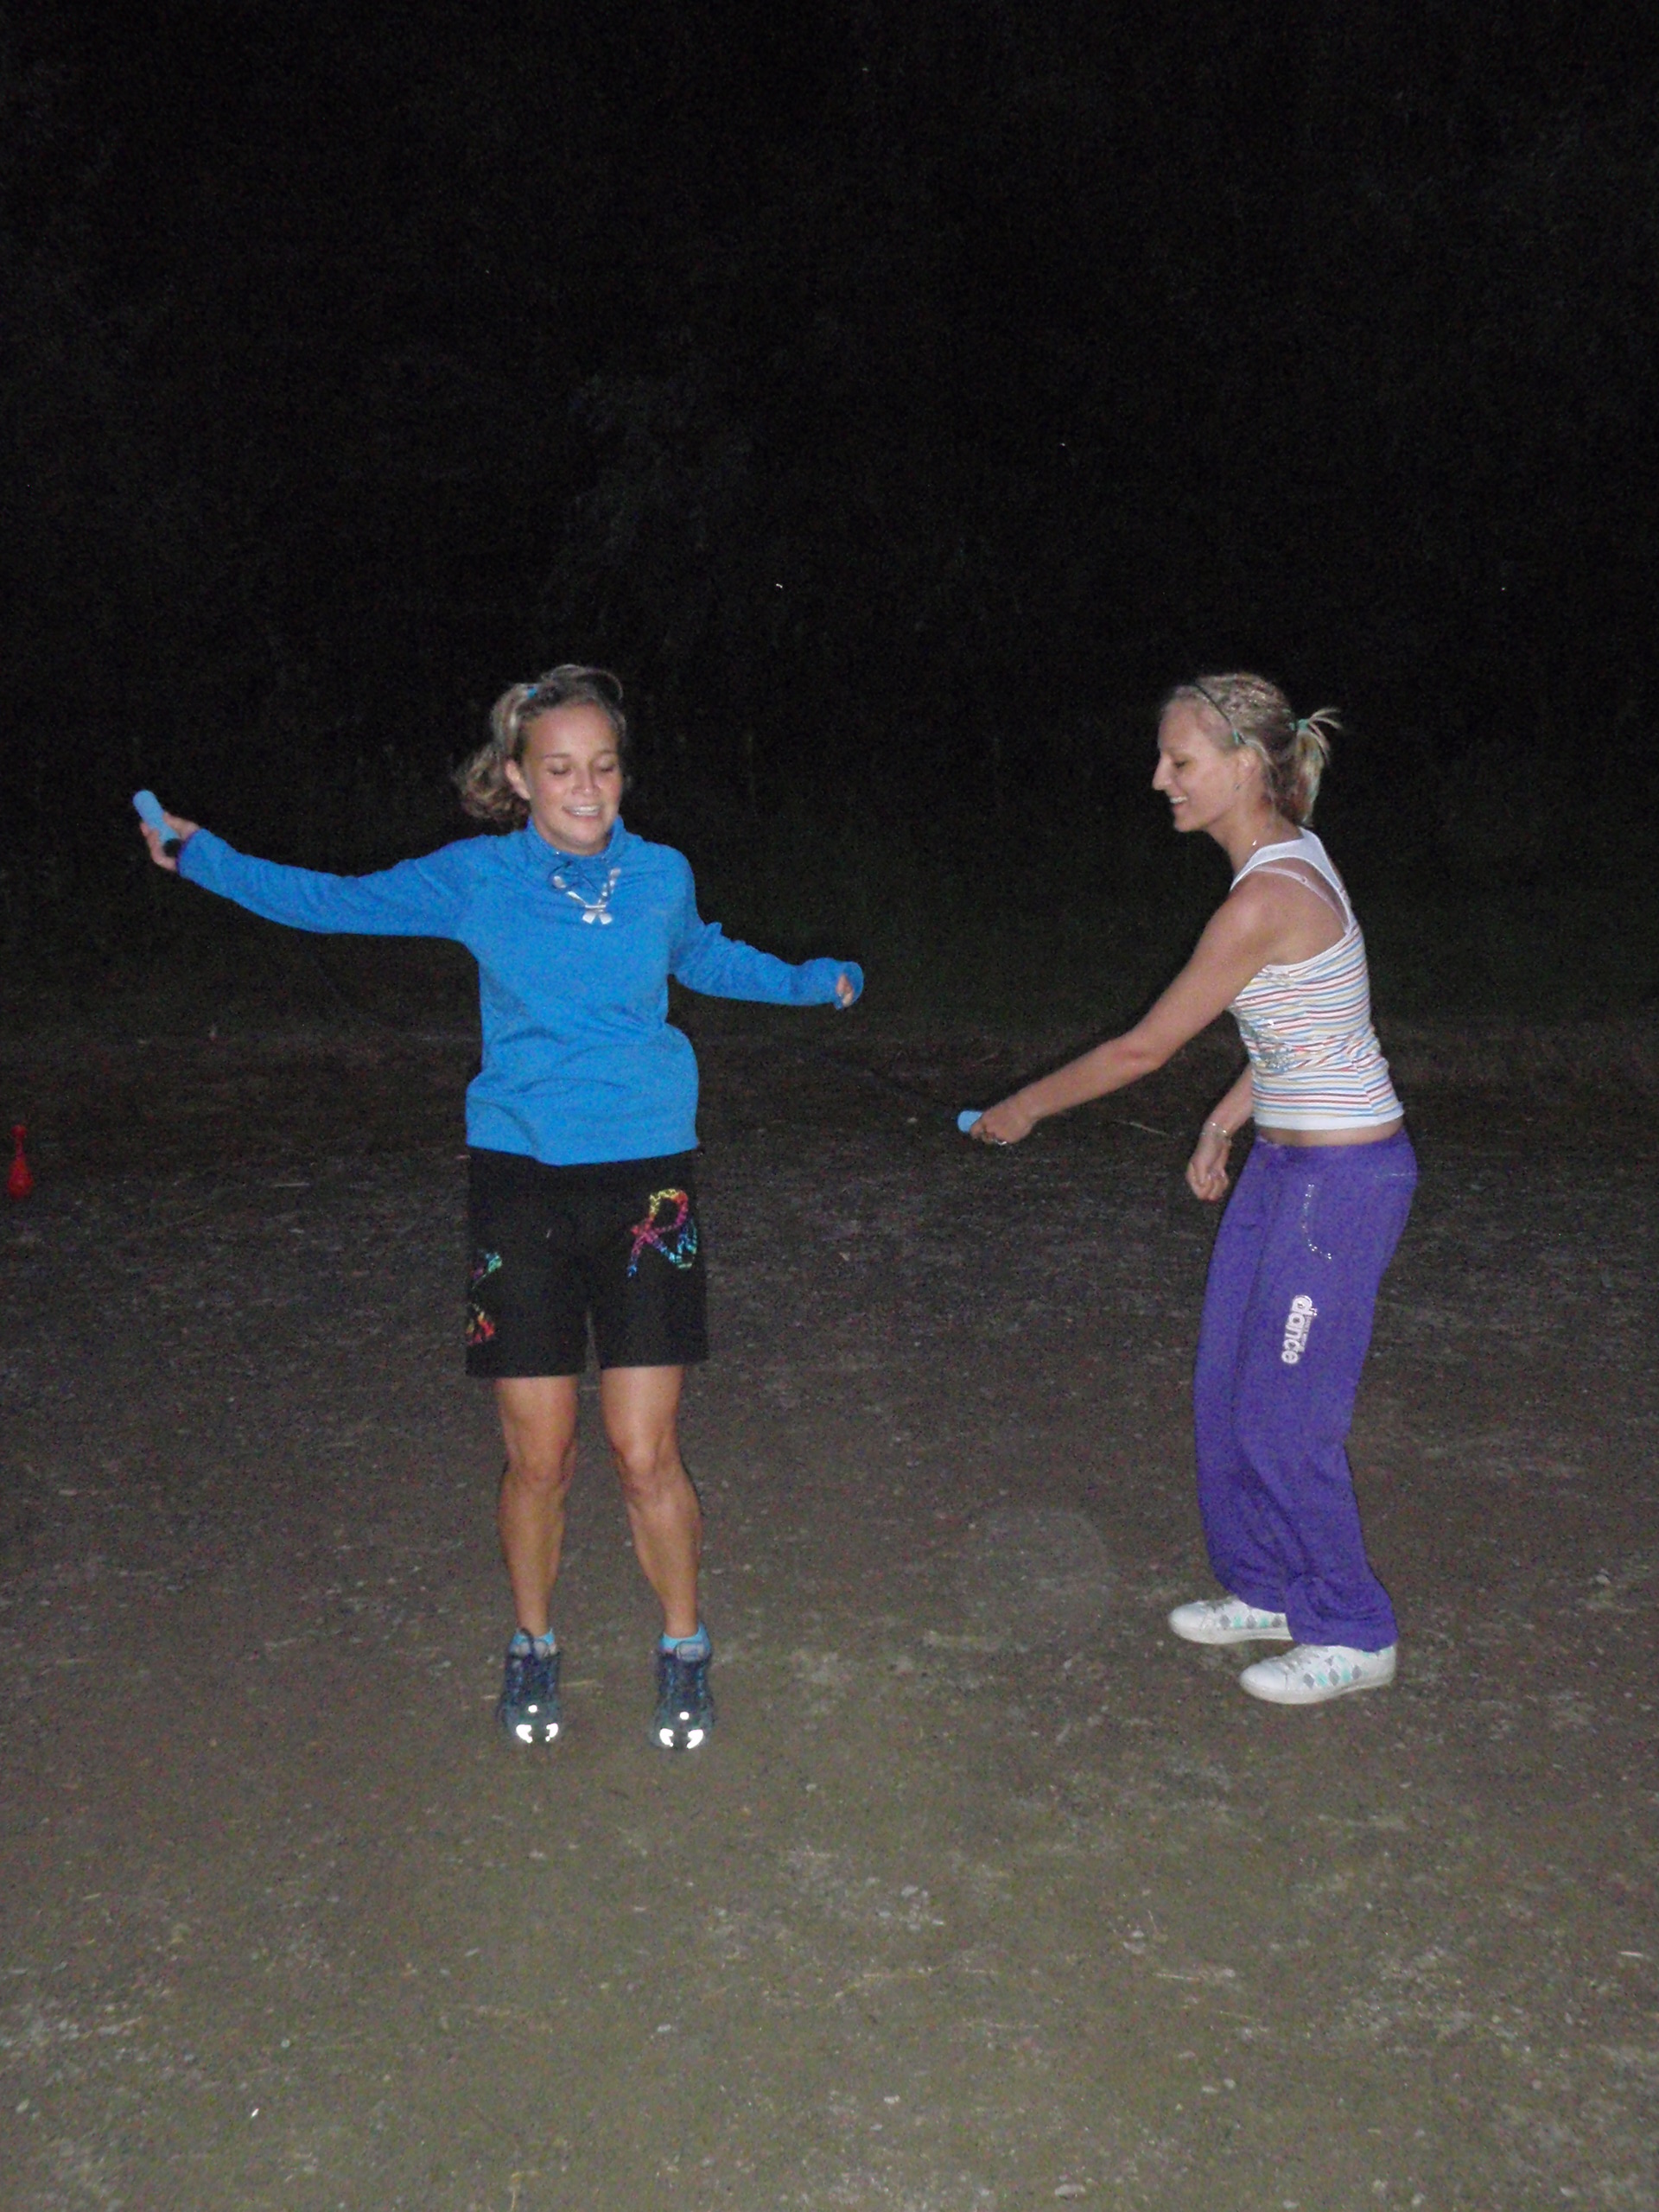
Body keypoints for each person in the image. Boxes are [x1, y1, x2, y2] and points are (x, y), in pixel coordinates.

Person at [138, 665, 861, 1751]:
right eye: (560, 769)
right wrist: (203, 856)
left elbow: (701, 953)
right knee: (540, 1457)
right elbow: (332, 900)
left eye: (604, 766)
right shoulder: (477, 878)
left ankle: (683, 1645)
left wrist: (807, 981)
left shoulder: (660, 872)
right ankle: (533, 1640)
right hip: (521, 1182)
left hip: (648, 1182)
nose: (588, 789)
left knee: (644, 1450)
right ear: (517, 777)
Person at [970, 672, 1414, 1706]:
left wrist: (1023, 1106)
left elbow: (1141, 1049)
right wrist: (1224, 1121)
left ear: (1246, 765)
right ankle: (1269, 1587)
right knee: (1226, 1389)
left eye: (1181, 760)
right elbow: (1304, 1028)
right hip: (1284, 1165)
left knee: (1285, 1417)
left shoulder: (1266, 896)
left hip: (1344, 1180)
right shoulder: (1282, 861)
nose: (1159, 778)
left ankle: (1354, 1627)